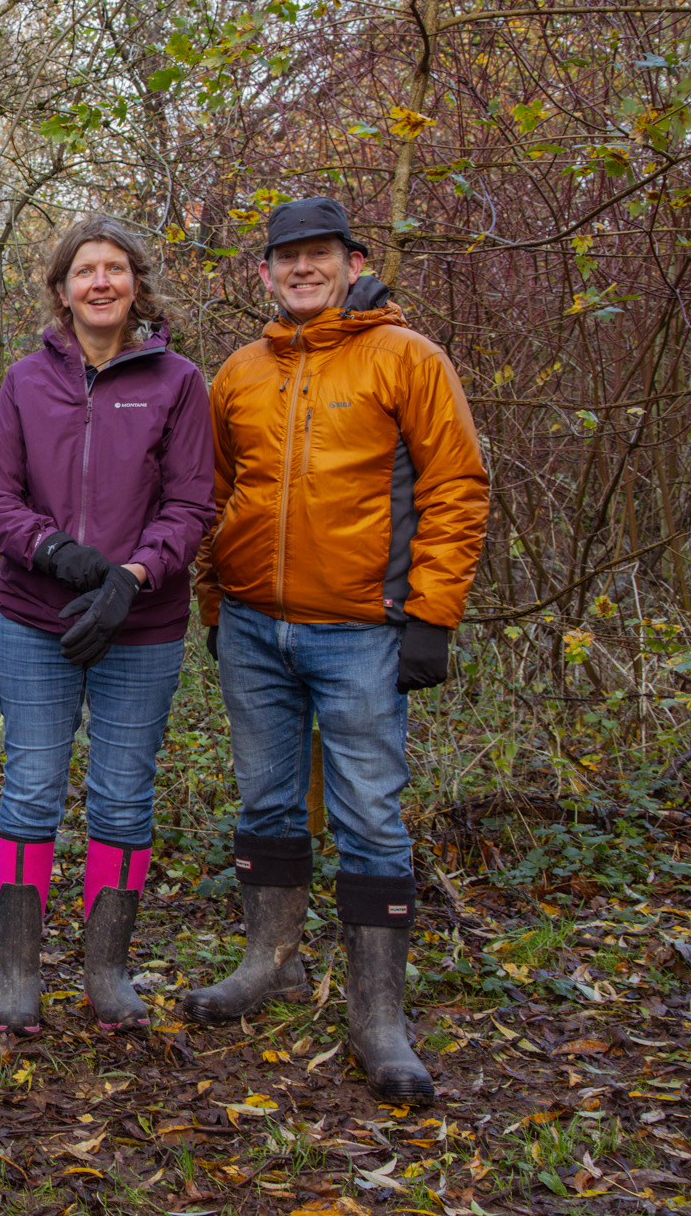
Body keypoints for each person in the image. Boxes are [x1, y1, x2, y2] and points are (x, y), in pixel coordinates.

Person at [183, 196, 487, 1104]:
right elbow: (212, 496)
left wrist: (432, 614)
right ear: (263, 273)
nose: (302, 268)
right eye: (287, 257)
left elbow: (457, 484)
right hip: (252, 629)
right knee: (267, 801)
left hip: (362, 632)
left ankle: (378, 1015)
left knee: (369, 816)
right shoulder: (238, 373)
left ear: (354, 262)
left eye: (320, 254)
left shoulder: (407, 359)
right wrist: (211, 599)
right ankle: (269, 961)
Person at [0, 215, 213, 1034]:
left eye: (114, 269)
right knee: (32, 786)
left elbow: (190, 504)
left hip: (141, 628)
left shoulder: (178, 381)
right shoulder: (24, 381)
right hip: (38, 617)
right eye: (84, 270)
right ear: (62, 288)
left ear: (137, 285)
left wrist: (132, 577)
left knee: (119, 798)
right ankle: (20, 975)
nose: (99, 283)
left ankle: (108, 972)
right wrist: (60, 556)